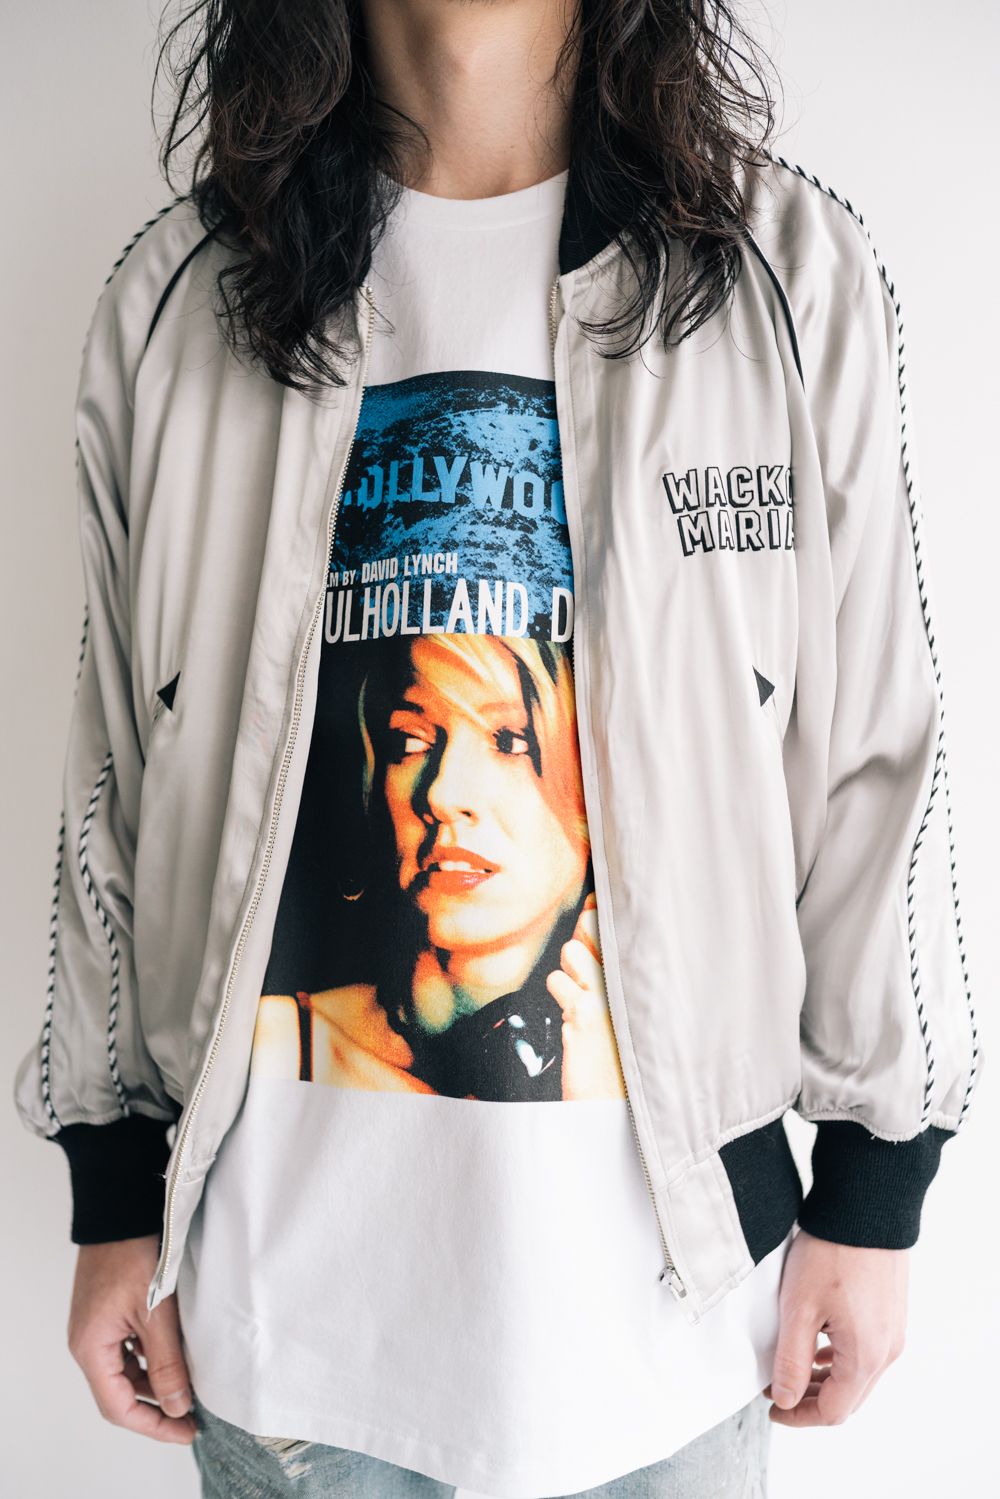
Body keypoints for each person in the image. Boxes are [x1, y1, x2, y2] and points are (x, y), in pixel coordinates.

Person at [15, 0, 977, 1494]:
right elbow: (115, 782)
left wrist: (873, 1182)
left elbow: (872, 766)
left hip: (668, 1341)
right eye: (412, 739)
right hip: (283, 1341)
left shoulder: (784, 275)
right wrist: (115, 1184)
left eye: (500, 739)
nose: (445, 792)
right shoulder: (180, 297)